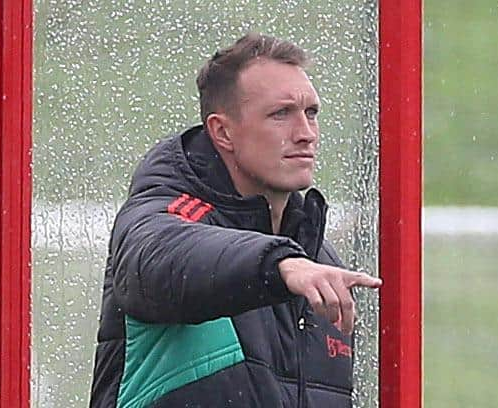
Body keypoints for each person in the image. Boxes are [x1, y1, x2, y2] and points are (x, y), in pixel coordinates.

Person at [90, 33, 382, 408]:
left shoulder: (320, 265)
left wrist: (290, 265)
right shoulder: (169, 217)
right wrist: (281, 266)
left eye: (311, 113)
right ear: (223, 132)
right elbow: (156, 254)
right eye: (281, 114)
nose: (306, 134)